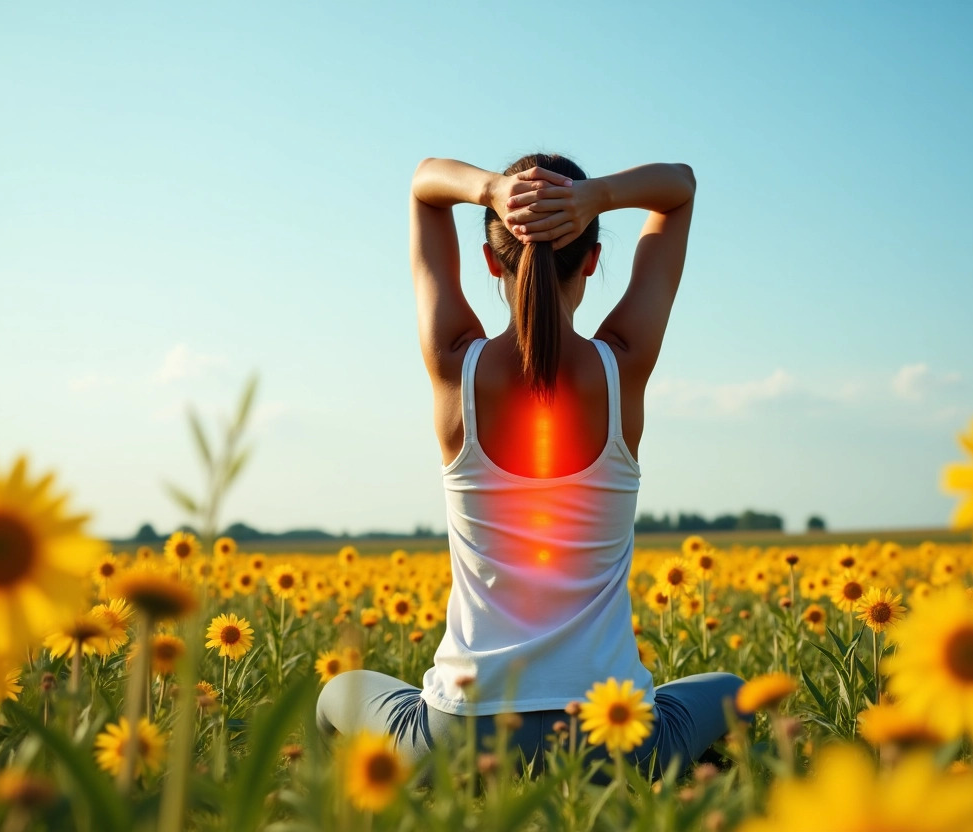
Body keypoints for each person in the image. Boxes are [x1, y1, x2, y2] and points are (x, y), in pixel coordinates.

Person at [315, 153, 752, 783]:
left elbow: (424, 188)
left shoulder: (454, 367)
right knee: (733, 688)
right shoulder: (622, 368)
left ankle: (334, 803)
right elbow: (679, 187)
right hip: (614, 737)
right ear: (594, 261)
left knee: (341, 690)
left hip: (460, 741)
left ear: (492, 261)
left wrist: (490, 190)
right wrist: (594, 196)